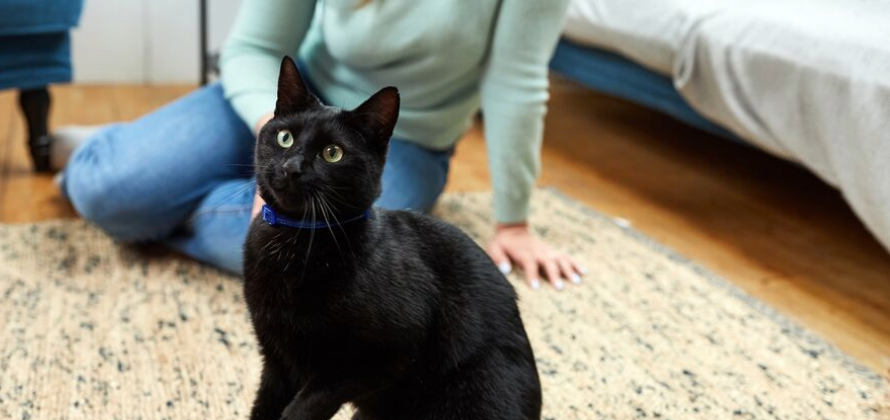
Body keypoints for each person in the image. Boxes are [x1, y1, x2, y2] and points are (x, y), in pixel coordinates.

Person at [62, 0, 584, 289]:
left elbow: (516, 81)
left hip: (400, 142)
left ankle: (161, 185)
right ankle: (124, 161)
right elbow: (256, 47)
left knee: (313, 261)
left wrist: (513, 223)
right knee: (108, 192)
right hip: (289, 107)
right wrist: (276, 139)